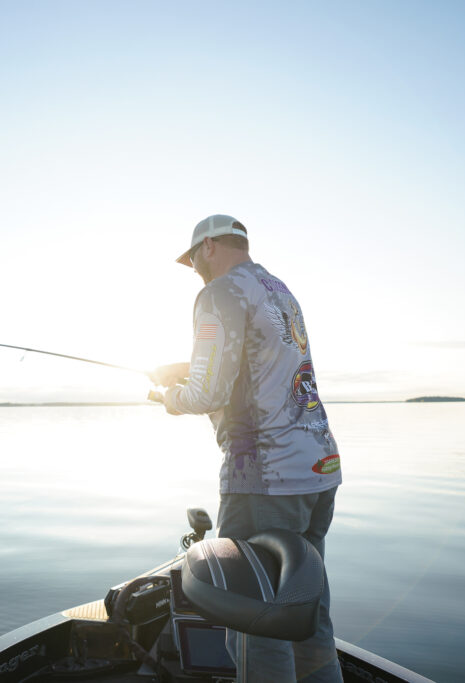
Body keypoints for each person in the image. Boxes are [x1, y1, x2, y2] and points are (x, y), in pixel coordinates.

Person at [152, 214, 343, 682]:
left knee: (257, 627)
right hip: (318, 470)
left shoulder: (218, 292)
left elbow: (207, 394)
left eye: (194, 257)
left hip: (265, 481)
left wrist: (169, 397)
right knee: (305, 613)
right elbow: (257, 369)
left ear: (211, 246)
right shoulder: (278, 291)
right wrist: (190, 368)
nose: (194, 267)